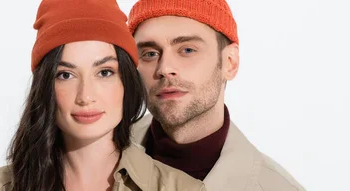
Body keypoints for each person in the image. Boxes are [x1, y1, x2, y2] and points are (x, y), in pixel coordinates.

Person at [0, 0, 205, 190]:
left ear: (126, 82)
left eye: (104, 72)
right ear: (45, 88)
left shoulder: (181, 188)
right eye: (65, 75)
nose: (85, 96)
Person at [127, 0, 306, 190]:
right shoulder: (101, 151)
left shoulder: (274, 186)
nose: (165, 68)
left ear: (230, 63)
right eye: (149, 54)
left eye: (187, 50)